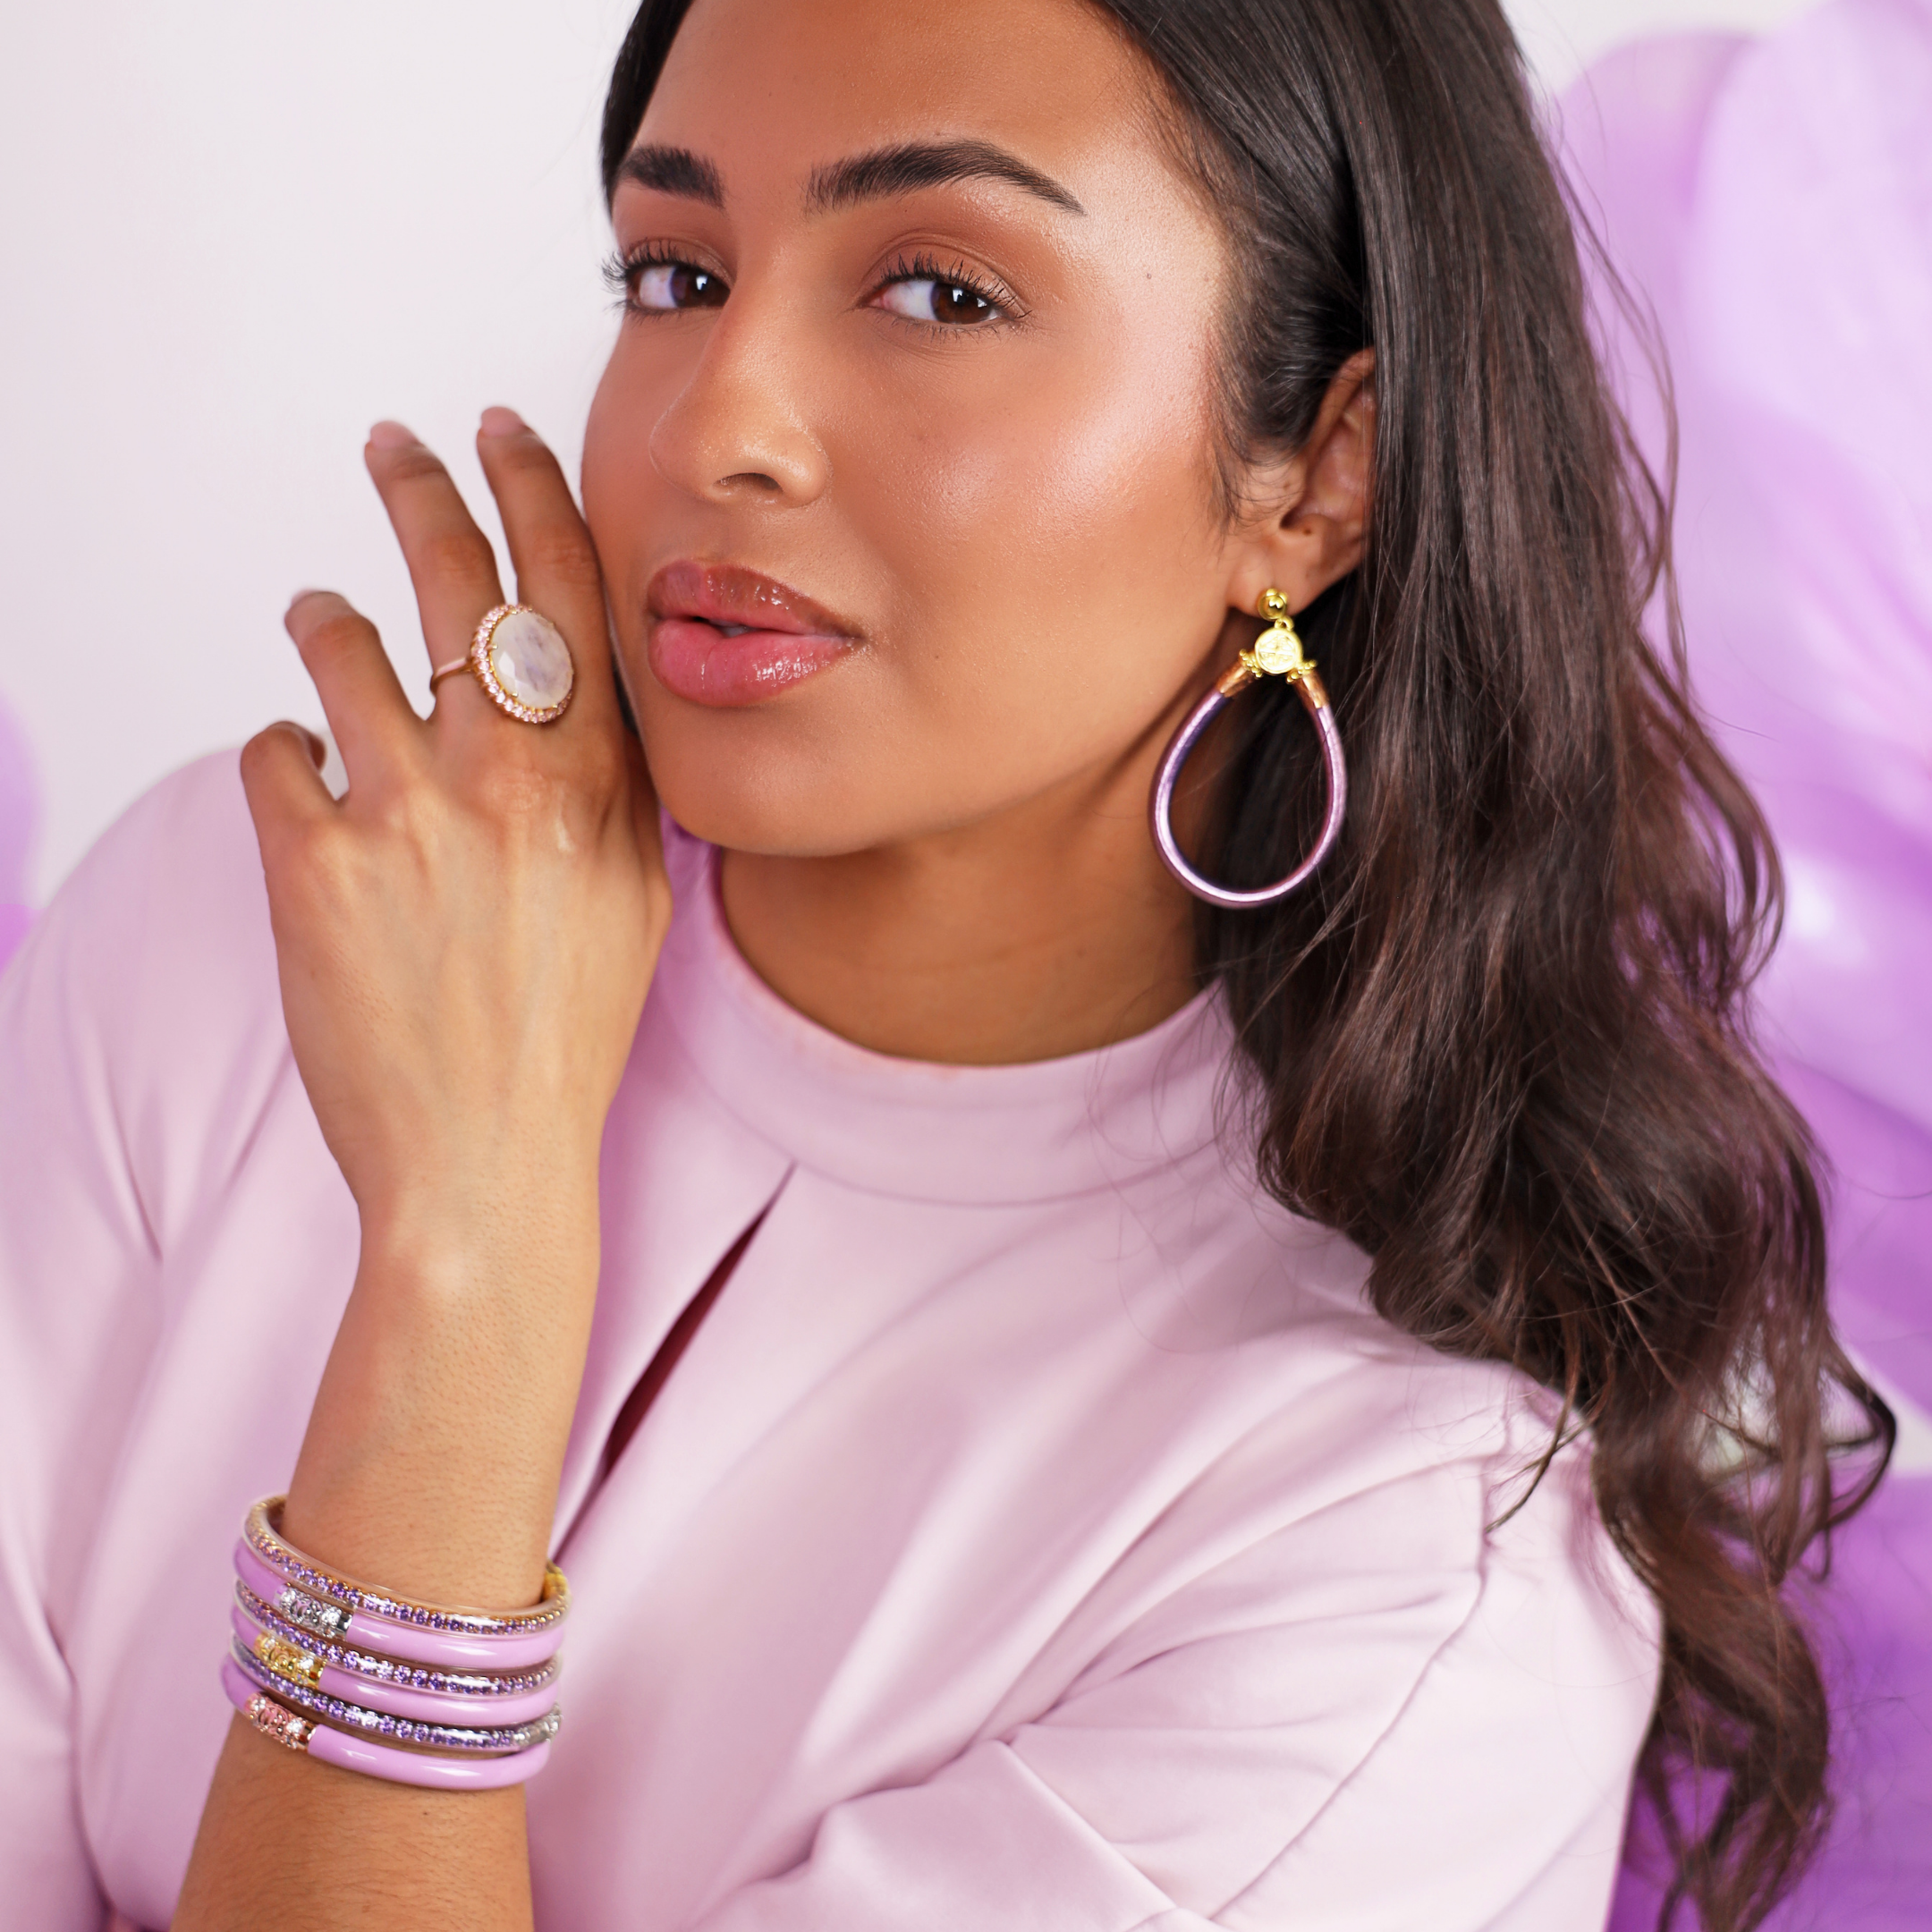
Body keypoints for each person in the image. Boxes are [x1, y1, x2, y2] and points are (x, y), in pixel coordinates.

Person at [0, 1, 1887, 1928]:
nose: (716, 424)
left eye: (941, 294)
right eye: (677, 273)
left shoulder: (1394, 1585)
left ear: (1319, 478)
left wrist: (464, 1255)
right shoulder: (268, 922)